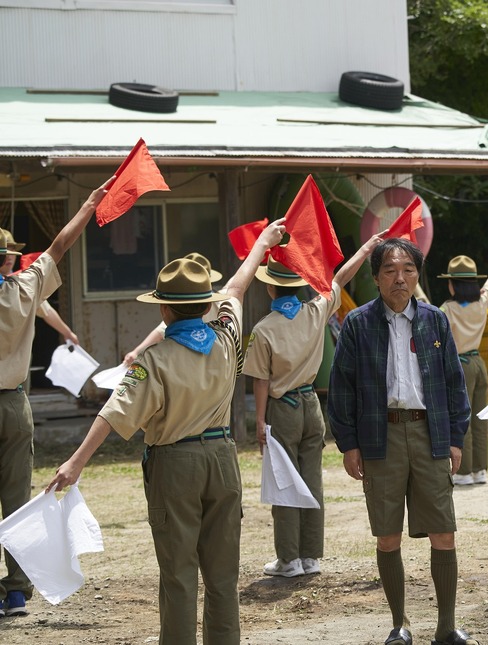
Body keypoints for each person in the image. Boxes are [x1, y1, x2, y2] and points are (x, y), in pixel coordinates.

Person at [46, 219, 286, 644]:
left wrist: (75, 462)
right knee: (223, 576)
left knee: (178, 576)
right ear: (206, 303)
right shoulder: (226, 336)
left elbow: (112, 413)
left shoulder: (152, 361)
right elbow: (236, 287)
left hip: (175, 465)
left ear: (163, 309)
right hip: (223, 459)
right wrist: (263, 244)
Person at [327, 238, 478, 645]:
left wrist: (455, 437)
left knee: (443, 531)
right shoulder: (358, 323)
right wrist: (348, 443)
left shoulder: (435, 320)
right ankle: (400, 624)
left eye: (408, 269)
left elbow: (453, 382)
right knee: (387, 534)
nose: (400, 278)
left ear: (417, 275)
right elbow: (341, 386)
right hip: (380, 434)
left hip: (430, 433)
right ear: (375, 277)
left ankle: (446, 627)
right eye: (391, 270)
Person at [0, 178, 112, 618]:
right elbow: (60, 246)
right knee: (16, 495)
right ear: (10, 259)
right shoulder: (25, 287)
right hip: (13, 404)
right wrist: (87, 205)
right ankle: (15, 590)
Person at [243, 232, 385, 578]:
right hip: (311, 406)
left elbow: (260, 380)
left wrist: (260, 422)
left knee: (284, 482)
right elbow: (339, 278)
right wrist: (366, 247)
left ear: (271, 289)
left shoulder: (263, 329)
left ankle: (288, 560)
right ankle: (311, 557)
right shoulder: (316, 310)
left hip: (283, 408)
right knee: (312, 480)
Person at [439, 249, 488, 486]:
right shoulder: (482, 301)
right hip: (479, 363)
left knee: (462, 419)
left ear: (452, 284)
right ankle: (480, 470)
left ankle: (464, 472)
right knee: (480, 419)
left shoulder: (447, 309)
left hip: (459, 365)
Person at [124, 252, 222, 365]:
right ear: (208, 307)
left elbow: (160, 332)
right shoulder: (225, 345)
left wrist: (136, 352)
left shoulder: (156, 358)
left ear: (165, 309)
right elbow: (236, 289)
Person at [0, 229, 79, 345]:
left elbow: (46, 310)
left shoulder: (22, 283)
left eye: (12, 251)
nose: (9, 257)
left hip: (19, 354)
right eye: (5, 253)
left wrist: (67, 333)